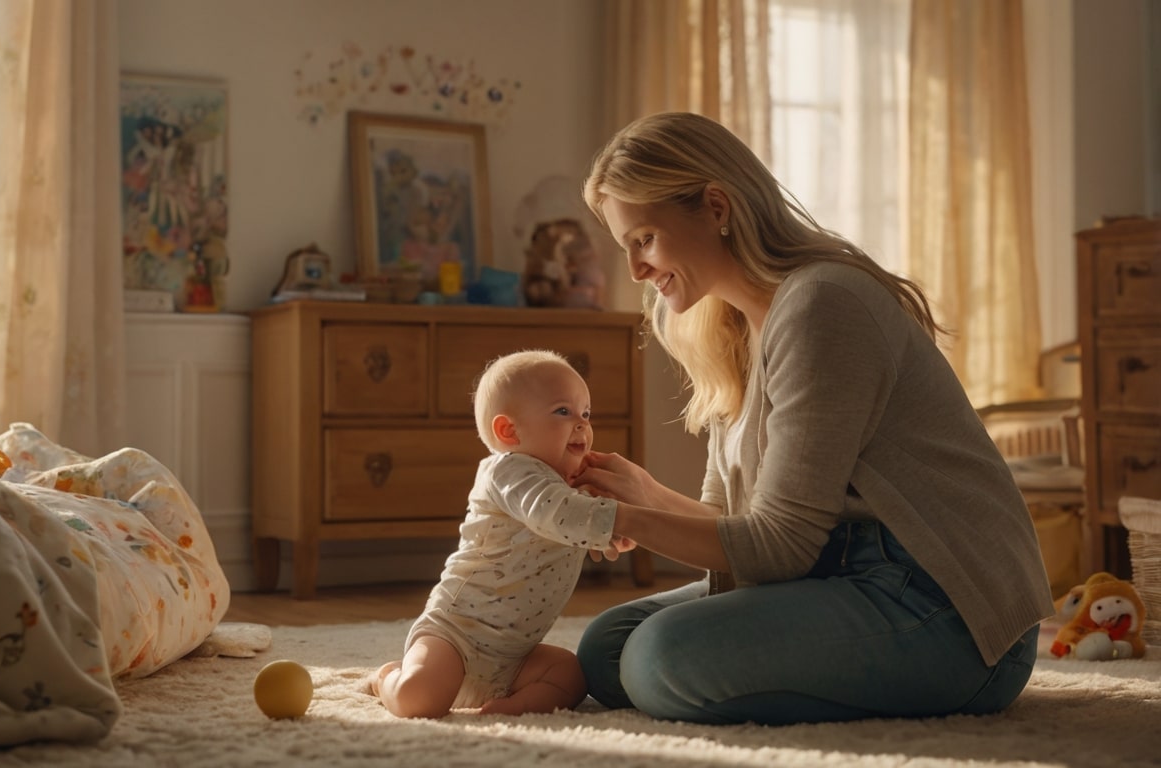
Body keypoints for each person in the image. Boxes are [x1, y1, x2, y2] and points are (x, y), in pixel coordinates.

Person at [569, 112, 1053, 725]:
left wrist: (619, 516)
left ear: (715, 207)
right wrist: (648, 496)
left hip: (944, 608)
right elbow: (743, 530)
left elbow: (779, 548)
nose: (635, 269)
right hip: (836, 573)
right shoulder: (730, 330)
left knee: (659, 658)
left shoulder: (823, 305)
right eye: (626, 247)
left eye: (644, 239)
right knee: (608, 647)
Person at [369, 350, 633, 718]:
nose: (582, 424)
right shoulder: (508, 472)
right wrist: (612, 521)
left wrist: (602, 520)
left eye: (586, 413)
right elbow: (552, 513)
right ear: (509, 431)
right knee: (419, 699)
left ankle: (511, 707)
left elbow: (572, 518)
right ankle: (388, 679)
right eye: (563, 411)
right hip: (454, 635)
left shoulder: (568, 490)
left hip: (516, 655)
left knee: (571, 675)